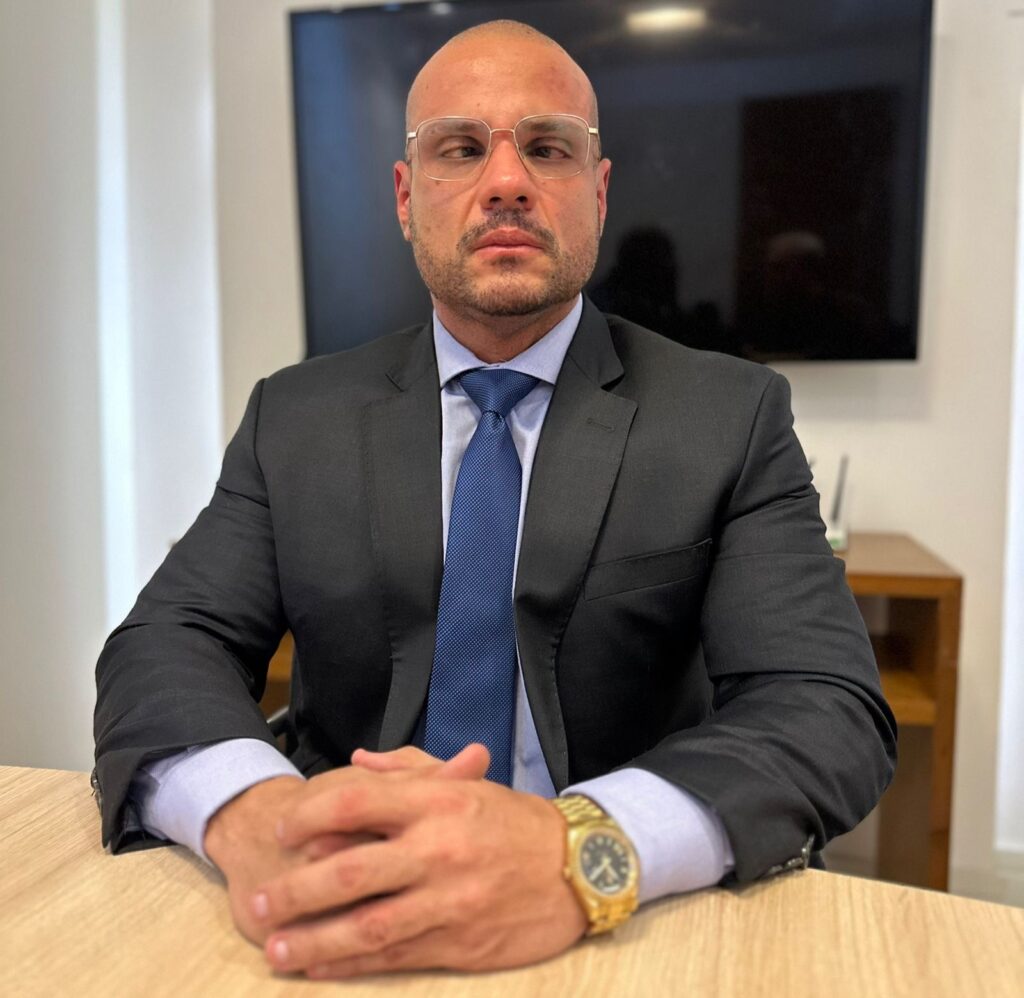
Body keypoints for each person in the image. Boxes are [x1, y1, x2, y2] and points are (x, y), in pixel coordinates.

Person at [93, 20, 895, 981]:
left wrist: (582, 850)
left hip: (619, 927)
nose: (507, 180)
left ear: (598, 192)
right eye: (461, 148)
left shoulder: (730, 417)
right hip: (332, 901)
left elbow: (823, 705)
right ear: (406, 197)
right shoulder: (294, 417)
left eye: (548, 148)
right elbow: (166, 643)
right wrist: (255, 811)